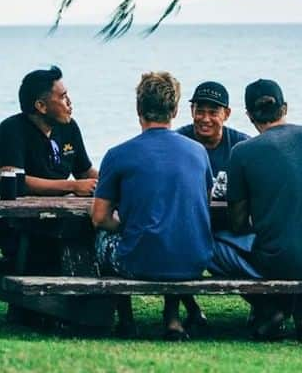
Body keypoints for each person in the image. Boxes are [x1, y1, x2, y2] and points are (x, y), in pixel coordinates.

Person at [213, 78, 302, 340]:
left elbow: (237, 223)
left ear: (248, 115)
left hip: (280, 264)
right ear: (285, 107)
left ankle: (271, 308)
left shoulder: (243, 152)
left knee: (214, 244)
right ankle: (300, 313)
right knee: (293, 236)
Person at [91, 72, 214, 341]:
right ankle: (172, 319)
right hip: (194, 260)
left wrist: (123, 225)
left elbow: (99, 217)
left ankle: (126, 320)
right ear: (175, 109)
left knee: (105, 238)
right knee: (173, 232)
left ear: (138, 109)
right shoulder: (198, 152)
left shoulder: (118, 154)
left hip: (140, 261)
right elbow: (200, 202)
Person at [0, 66, 97, 256]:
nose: (69, 102)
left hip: (60, 216)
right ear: (41, 106)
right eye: (62, 97)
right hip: (19, 225)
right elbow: (17, 181)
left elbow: (85, 172)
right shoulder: (11, 130)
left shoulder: (69, 128)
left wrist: (117, 179)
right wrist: (72, 186)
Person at [173, 81, 251, 329]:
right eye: (199, 110)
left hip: (232, 225)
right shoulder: (179, 141)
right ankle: (183, 309)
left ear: (226, 114)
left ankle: (263, 305)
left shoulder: (243, 145)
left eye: (213, 112)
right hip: (190, 224)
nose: (205, 118)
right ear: (191, 111)